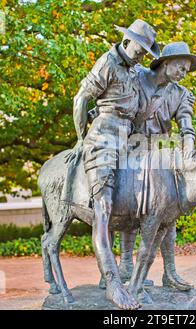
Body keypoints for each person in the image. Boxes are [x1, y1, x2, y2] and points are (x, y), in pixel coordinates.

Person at [65, 19, 160, 309]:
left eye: (146, 52)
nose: (142, 55)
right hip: (104, 137)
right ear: (128, 40)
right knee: (103, 210)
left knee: (150, 197)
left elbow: (160, 79)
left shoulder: (136, 70)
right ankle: (113, 283)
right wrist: (83, 138)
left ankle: (131, 271)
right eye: (140, 49)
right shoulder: (107, 62)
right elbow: (82, 98)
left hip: (130, 138)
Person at [118, 42, 196, 291]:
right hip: (127, 150)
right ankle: (125, 265)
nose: (183, 73)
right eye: (180, 67)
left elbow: (186, 125)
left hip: (158, 156)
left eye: (187, 70)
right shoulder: (136, 77)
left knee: (169, 213)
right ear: (166, 63)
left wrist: (188, 146)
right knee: (126, 207)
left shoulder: (180, 94)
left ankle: (170, 272)